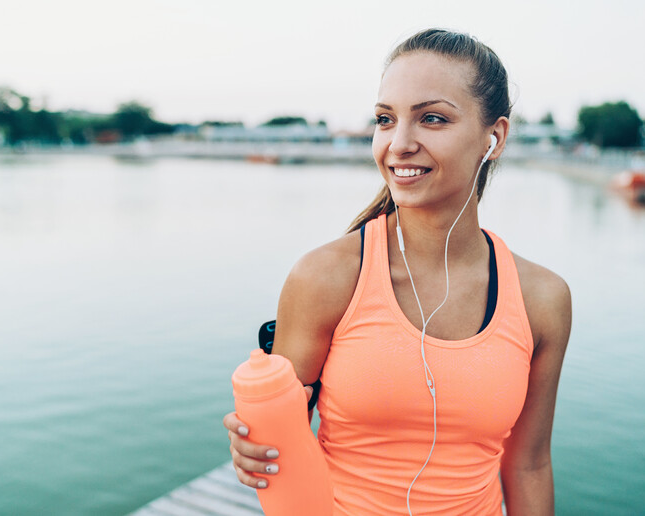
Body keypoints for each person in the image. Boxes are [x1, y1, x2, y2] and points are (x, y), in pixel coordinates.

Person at [223, 28, 571, 515]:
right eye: (385, 120)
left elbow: (530, 465)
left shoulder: (543, 298)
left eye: (432, 118)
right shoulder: (324, 278)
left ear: (494, 136)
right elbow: (280, 446)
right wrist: (253, 448)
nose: (399, 143)